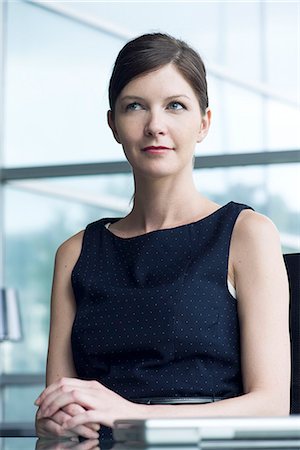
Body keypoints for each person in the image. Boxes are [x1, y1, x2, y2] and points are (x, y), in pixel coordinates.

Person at [34, 32, 290, 441]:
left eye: (175, 106)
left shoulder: (246, 234)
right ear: (113, 125)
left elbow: (271, 404)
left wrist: (131, 415)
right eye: (135, 106)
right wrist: (55, 418)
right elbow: (60, 399)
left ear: (204, 123)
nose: (155, 125)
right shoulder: (76, 252)